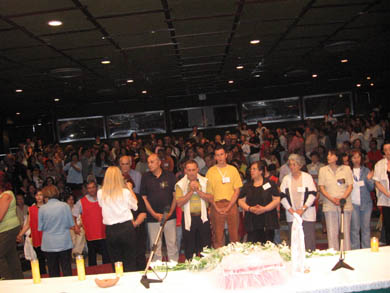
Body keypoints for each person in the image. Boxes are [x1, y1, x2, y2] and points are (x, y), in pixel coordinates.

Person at [97, 166, 138, 271]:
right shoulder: (125, 192)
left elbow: (102, 205)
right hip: (126, 228)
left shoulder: (100, 193)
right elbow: (135, 205)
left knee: (116, 261)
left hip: (111, 230)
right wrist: (128, 187)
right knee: (130, 259)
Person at [140, 154, 178, 262]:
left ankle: (174, 266)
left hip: (170, 217)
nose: (149, 164)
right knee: (155, 246)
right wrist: (154, 214)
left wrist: (170, 213)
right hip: (153, 218)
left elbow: (175, 196)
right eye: (148, 162)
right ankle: (157, 269)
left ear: (159, 163)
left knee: (172, 244)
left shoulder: (170, 176)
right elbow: (144, 198)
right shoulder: (145, 177)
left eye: (152, 162)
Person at [206, 144, 243, 248]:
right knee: (217, 236)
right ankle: (219, 260)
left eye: (222, 154)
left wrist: (229, 206)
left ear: (226, 155)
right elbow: (209, 193)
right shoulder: (210, 171)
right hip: (216, 205)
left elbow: (237, 190)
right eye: (217, 155)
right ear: (215, 157)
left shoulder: (233, 170)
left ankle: (235, 259)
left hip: (231, 204)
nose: (220, 157)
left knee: (234, 236)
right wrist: (216, 207)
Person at [175, 160, 213, 260]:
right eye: (189, 170)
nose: (191, 172)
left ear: (197, 170)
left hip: (203, 217)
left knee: (206, 245)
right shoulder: (180, 184)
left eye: (193, 170)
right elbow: (179, 203)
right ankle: (190, 267)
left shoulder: (205, 181)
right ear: (185, 171)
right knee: (189, 246)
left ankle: (207, 267)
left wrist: (198, 191)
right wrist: (191, 191)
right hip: (188, 218)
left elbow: (211, 199)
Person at [280, 154, 317, 251]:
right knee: (294, 240)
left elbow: (312, 194)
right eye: (290, 165)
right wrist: (292, 211)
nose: (291, 167)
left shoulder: (307, 177)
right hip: (292, 215)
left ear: (300, 166)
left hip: (307, 214)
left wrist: (303, 209)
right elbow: (282, 197)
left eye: (294, 164)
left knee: (309, 240)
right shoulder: (286, 179)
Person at [318, 149, 353, 250]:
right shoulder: (323, 170)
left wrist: (342, 198)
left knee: (345, 231)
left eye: (331, 155)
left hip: (344, 204)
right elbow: (321, 187)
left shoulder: (346, 169)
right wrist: (332, 199)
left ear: (337, 157)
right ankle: (333, 254)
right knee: (331, 232)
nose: (328, 156)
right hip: (329, 204)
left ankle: (346, 254)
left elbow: (350, 186)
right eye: (328, 154)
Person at [238, 161, 280, 243]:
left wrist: (265, 209)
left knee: (267, 246)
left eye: (254, 169)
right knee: (253, 245)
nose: (251, 171)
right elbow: (240, 201)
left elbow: (277, 199)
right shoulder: (247, 185)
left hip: (268, 219)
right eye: (251, 169)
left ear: (261, 171)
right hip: (252, 220)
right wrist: (249, 208)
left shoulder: (270, 183)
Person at [39, 185, 74, 277]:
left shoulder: (42, 209)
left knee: (53, 271)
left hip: (49, 243)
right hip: (64, 242)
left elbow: (40, 227)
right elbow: (70, 223)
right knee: (67, 269)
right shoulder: (65, 206)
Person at [72, 181, 110, 266]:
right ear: (86, 189)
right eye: (89, 188)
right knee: (92, 260)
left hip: (103, 233)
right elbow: (73, 215)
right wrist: (76, 226)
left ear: (96, 188)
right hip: (90, 235)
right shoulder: (81, 202)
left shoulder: (103, 199)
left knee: (107, 259)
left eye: (93, 187)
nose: (91, 190)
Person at [17, 191, 47, 274]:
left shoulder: (47, 207)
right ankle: (43, 276)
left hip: (47, 236)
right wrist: (20, 234)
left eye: (41, 195)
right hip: (36, 236)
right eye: (37, 195)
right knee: (40, 260)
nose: (39, 197)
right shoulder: (31, 209)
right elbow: (28, 224)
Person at [349, 149, 374, 249]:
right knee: (354, 229)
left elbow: (371, 188)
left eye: (358, 157)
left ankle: (366, 249)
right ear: (351, 159)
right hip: (353, 203)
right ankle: (355, 250)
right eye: (354, 157)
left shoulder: (366, 170)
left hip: (366, 204)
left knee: (366, 228)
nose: (356, 159)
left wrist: (368, 179)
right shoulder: (348, 171)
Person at [0, 181, 24, 279]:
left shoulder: (6, 195)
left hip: (8, 229)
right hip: (6, 230)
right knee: (10, 255)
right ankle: (17, 279)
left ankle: (6, 279)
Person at [373, 141, 390, 245]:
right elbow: (377, 182)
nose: (388, 151)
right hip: (386, 199)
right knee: (388, 225)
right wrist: (387, 194)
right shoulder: (379, 164)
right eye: (386, 150)